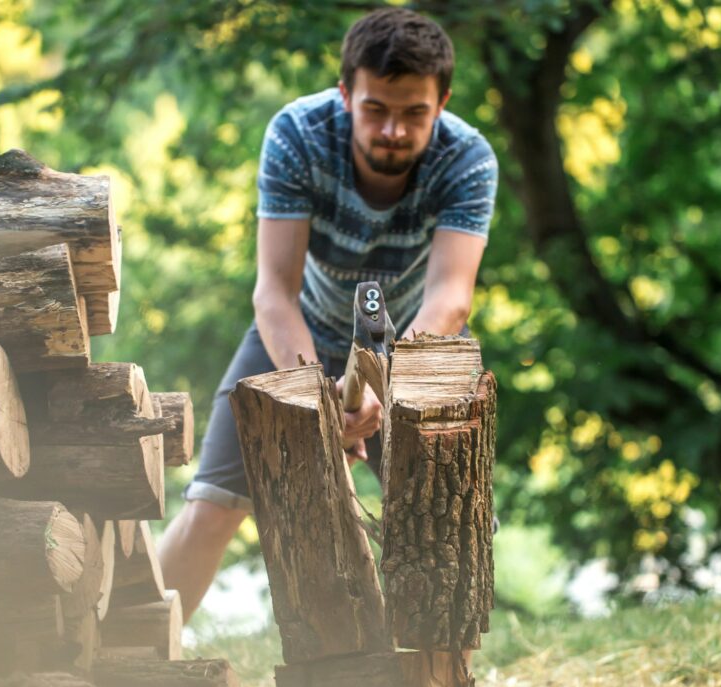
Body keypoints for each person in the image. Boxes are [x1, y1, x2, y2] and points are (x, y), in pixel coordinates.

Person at [159, 7, 498, 621]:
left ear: (442, 102)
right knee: (214, 503)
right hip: (297, 329)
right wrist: (322, 397)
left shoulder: (468, 158)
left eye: (414, 113)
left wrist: (379, 384)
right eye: (376, 109)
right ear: (346, 94)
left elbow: (451, 297)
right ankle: (127, 653)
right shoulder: (297, 134)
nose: (393, 130)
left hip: (422, 339)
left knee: (446, 524)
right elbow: (274, 293)